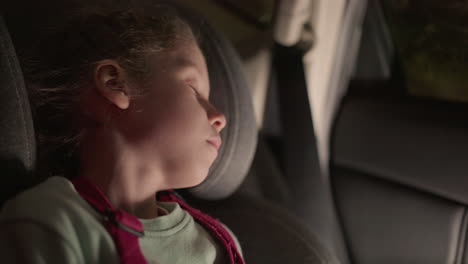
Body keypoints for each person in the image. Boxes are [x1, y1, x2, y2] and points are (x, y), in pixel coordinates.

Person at [0, 3, 244, 264]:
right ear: (115, 84)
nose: (220, 117)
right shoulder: (50, 223)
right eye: (195, 90)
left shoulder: (218, 242)